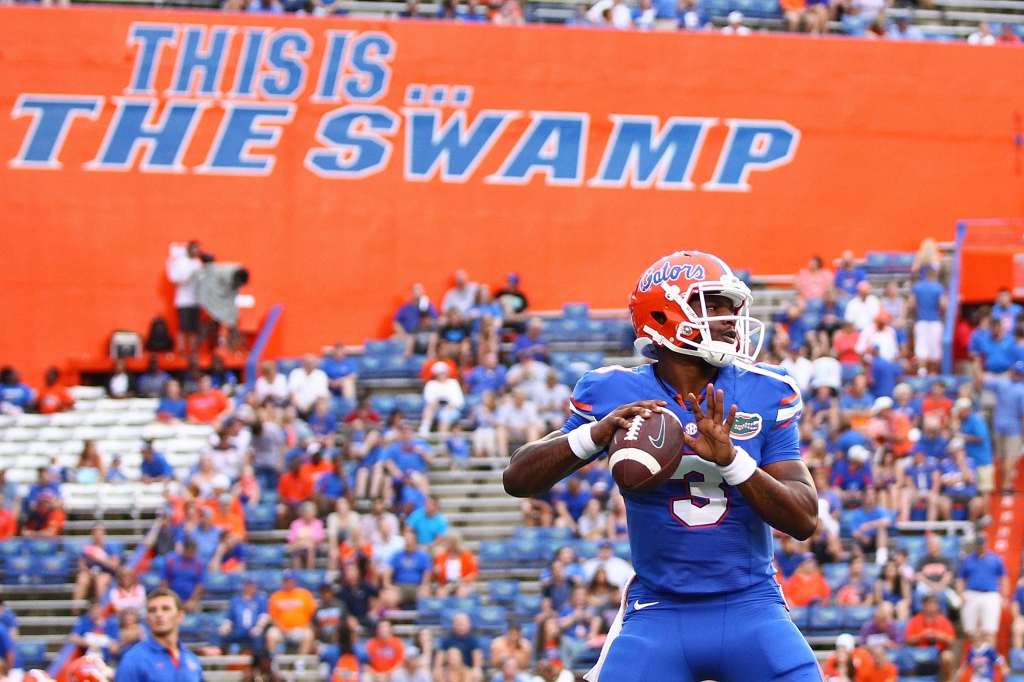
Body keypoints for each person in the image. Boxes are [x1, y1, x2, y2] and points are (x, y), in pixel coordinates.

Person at [504, 251, 821, 682]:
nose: (731, 319)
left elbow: (804, 519)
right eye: (715, 305)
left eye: (731, 306)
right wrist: (594, 435)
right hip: (659, 611)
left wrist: (732, 460)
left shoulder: (766, 390)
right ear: (664, 314)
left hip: (752, 604)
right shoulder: (612, 391)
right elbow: (517, 478)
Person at [112, 588, 202, 681]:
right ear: (147, 619)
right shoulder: (134, 659)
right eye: (152, 610)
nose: (159, 614)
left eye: (165, 609)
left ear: (180, 616)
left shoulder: (191, 659)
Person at [974, 361, 1024, 495]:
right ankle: (1006, 487)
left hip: (998, 425)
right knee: (1010, 457)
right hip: (1013, 428)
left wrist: (977, 365)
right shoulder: (1021, 390)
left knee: (1001, 457)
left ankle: (1002, 484)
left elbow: (980, 380)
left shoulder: (1002, 384)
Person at [956, 532, 1008, 646]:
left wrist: (1005, 596)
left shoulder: (996, 559)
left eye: (982, 545)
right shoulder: (968, 560)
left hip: (990, 594)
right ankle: (975, 658)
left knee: (990, 630)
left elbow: (1003, 578)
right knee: (971, 630)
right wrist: (960, 594)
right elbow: (960, 579)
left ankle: (989, 658)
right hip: (972, 594)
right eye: (978, 545)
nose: (980, 548)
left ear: (986, 544)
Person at [904, 594, 956, 680]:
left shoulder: (943, 621)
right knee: (906, 657)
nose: (932, 607)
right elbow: (908, 640)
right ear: (924, 605)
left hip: (938, 652)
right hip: (919, 652)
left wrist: (941, 636)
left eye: (935, 604)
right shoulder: (915, 620)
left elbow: (952, 641)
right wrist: (921, 636)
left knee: (947, 656)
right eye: (930, 604)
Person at [265, 570, 317, 655]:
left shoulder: (304, 594)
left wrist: (305, 626)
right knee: (271, 634)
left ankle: (300, 662)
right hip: (281, 630)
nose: (288, 582)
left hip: (299, 629)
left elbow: (312, 615)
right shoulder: (276, 596)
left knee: (309, 635)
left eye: (290, 580)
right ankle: (274, 662)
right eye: (286, 580)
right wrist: (282, 629)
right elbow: (272, 617)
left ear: (295, 581)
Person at [166, 241, 203, 356]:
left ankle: (192, 350)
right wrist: (185, 280)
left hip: (196, 300)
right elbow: (173, 278)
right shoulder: (181, 262)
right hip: (183, 300)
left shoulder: (198, 263)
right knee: (183, 327)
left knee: (194, 328)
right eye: (194, 248)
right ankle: (181, 350)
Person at [217, 576, 270, 654]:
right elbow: (229, 619)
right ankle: (216, 657)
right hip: (238, 631)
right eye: (248, 585)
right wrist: (225, 627)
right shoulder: (236, 599)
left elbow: (264, 616)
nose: (250, 588)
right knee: (218, 634)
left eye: (252, 585)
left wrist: (258, 627)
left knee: (258, 638)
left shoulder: (260, 599)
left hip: (253, 632)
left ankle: (257, 662)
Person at [909, 266, 946, 374]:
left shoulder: (918, 287)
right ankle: (933, 371)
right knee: (934, 347)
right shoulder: (938, 288)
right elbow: (943, 304)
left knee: (921, 345)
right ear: (935, 275)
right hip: (934, 320)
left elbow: (912, 303)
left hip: (921, 320)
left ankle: (922, 370)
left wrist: (918, 312)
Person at [160, 538, 205, 612]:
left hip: (191, 600)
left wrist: (192, 601)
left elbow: (200, 584)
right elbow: (164, 581)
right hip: (173, 599)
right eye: (190, 552)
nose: (192, 554)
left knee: (196, 613)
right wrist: (168, 598)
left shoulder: (198, 563)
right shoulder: (171, 561)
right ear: (185, 549)